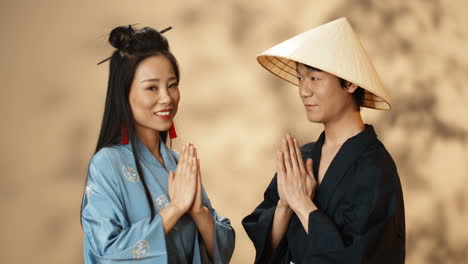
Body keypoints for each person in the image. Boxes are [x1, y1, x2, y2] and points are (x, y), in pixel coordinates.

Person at [242, 17, 405, 263]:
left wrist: (303, 204)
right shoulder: (304, 158)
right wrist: (286, 206)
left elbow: (360, 256)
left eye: (314, 78)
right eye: (300, 78)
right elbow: (268, 248)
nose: (303, 90)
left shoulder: (375, 167)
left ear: (349, 82)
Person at [80, 25, 235, 264]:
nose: (167, 98)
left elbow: (221, 251)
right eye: (152, 87)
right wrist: (174, 209)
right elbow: (107, 253)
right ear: (124, 94)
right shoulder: (107, 164)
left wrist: (198, 212)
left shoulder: (177, 163)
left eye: (172, 85)